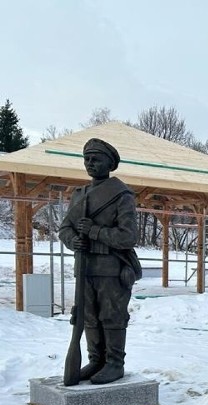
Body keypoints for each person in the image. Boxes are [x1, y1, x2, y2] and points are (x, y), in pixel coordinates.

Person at [58, 138, 138, 384]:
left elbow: (128, 236)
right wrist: (74, 241)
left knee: (111, 316)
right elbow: (65, 229)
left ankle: (115, 363)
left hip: (111, 268)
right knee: (88, 316)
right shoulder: (79, 194)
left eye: (96, 159)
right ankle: (96, 360)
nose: (90, 163)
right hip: (84, 267)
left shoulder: (121, 195)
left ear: (109, 164)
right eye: (87, 159)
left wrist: (93, 232)